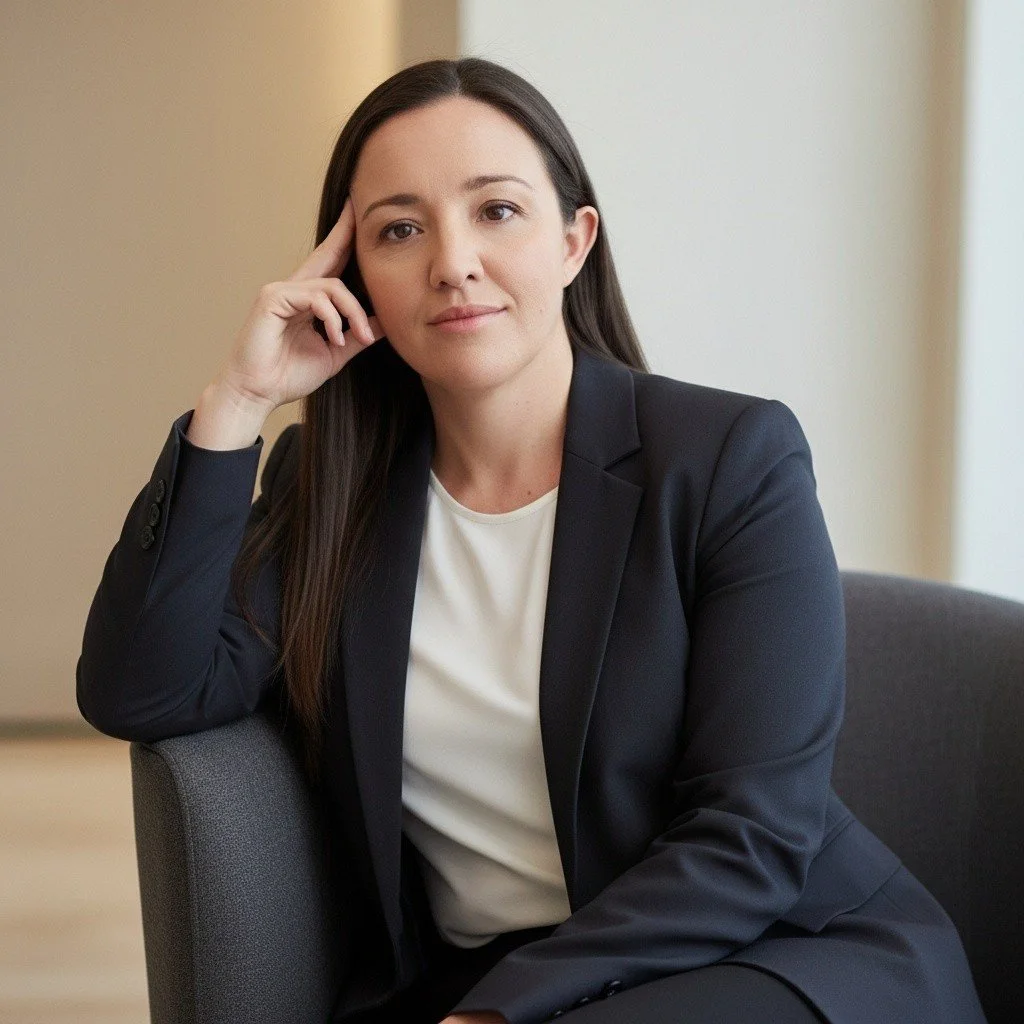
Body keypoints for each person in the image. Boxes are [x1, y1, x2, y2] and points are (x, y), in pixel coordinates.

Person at [76, 57, 986, 1024]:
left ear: (573, 239)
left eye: (497, 211)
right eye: (399, 229)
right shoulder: (333, 494)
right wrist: (239, 402)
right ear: (354, 282)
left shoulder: (729, 459)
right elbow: (145, 687)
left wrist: (492, 1016)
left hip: (777, 959)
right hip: (504, 986)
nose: (452, 261)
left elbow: (750, 839)